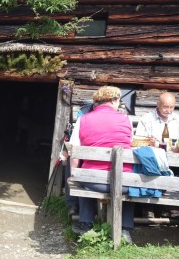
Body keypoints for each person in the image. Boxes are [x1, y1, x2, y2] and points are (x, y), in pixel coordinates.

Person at [70, 86, 134, 243]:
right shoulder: (127, 120)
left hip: (95, 182)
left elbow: (74, 153)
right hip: (124, 183)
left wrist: (73, 175)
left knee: (80, 174)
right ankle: (125, 229)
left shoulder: (83, 119)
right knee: (133, 182)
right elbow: (130, 144)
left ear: (97, 103)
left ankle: (86, 223)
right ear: (113, 101)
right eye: (119, 100)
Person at [135, 92, 179, 218]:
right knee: (151, 170)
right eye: (166, 107)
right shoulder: (147, 119)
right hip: (153, 159)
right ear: (158, 104)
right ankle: (149, 207)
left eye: (172, 107)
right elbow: (138, 141)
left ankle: (171, 207)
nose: (169, 110)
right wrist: (149, 142)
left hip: (174, 159)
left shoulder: (177, 120)